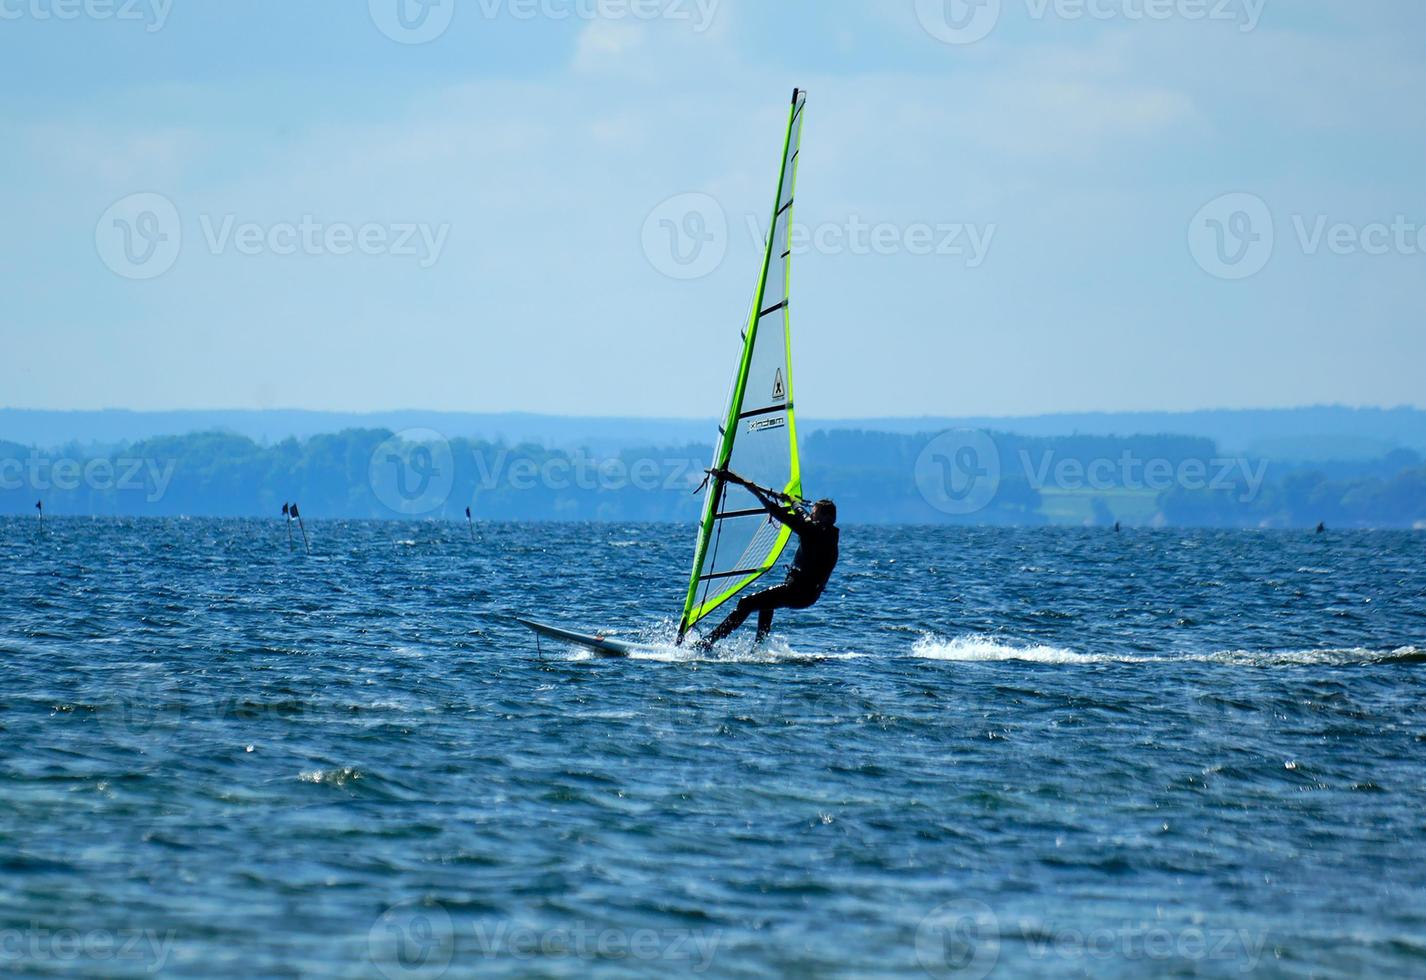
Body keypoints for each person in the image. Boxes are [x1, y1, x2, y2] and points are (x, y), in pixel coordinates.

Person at [697, 469, 839, 649]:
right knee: (766, 604)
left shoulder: (814, 531)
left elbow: (778, 512)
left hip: (797, 592)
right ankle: (759, 647)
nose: (812, 516)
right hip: (807, 595)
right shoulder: (829, 534)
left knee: (745, 603)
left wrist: (751, 489)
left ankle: (707, 643)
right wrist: (794, 503)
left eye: (815, 513)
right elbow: (803, 516)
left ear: (827, 517)